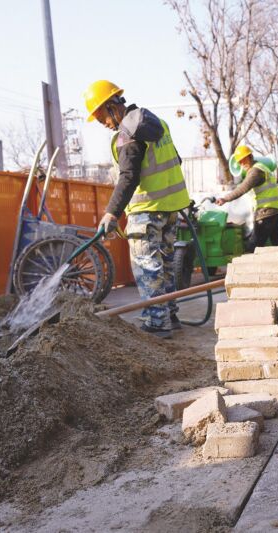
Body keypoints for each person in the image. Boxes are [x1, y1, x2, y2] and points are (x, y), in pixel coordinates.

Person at [84, 80, 191, 339]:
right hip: (170, 209)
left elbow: (128, 177)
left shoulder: (127, 134)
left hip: (146, 211)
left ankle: (157, 323)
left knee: (147, 266)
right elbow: (176, 160)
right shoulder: (159, 124)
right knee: (165, 265)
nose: (103, 124)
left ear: (112, 106)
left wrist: (112, 212)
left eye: (101, 118)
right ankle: (170, 315)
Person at [215, 145, 278, 250]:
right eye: (240, 162)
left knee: (253, 246)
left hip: (265, 212)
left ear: (250, 156)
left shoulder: (255, 171)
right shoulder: (263, 167)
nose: (242, 163)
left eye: (244, 159)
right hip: (275, 211)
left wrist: (225, 199)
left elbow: (243, 188)